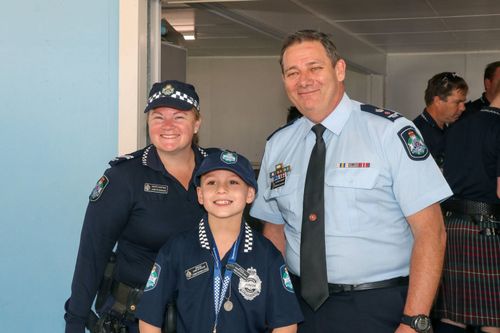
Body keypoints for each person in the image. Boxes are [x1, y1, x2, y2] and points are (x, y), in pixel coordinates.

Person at [250, 29, 452, 333]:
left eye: (315, 68)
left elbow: (431, 233)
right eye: (293, 72)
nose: (304, 80)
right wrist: (276, 303)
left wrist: (414, 321)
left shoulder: (390, 132)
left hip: (378, 307)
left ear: (339, 69)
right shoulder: (278, 145)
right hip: (297, 307)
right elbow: (275, 230)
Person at [64, 80, 217, 333]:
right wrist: (76, 321)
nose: (167, 126)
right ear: (148, 123)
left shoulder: (218, 171)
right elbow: (93, 252)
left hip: (204, 315)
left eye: (179, 116)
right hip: (134, 317)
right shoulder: (124, 177)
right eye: (158, 117)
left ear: (197, 123)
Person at [136, 150, 303, 333]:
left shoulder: (267, 255)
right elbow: (149, 319)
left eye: (233, 182)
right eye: (211, 182)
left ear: (250, 194)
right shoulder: (176, 249)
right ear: (200, 194)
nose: (221, 189)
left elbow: (285, 324)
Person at [434, 77, 500, 333]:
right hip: (488, 230)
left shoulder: (458, 125)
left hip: (453, 227)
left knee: (453, 315)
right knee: (493, 319)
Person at [413, 72, 468, 168]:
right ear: (438, 101)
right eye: (457, 102)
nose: (463, 108)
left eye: (463, 102)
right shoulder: (416, 134)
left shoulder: (449, 128)